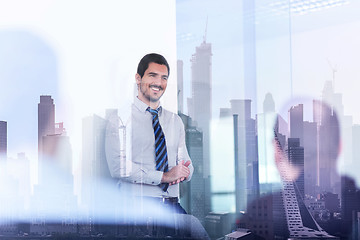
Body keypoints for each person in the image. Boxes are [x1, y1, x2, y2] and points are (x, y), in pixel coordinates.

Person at [105, 53, 194, 214]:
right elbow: (118, 167)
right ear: (138, 78)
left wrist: (184, 172)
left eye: (164, 78)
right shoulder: (120, 119)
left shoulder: (175, 121)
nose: (158, 83)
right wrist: (164, 177)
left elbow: (185, 161)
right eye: (153, 75)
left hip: (172, 205)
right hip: (137, 208)